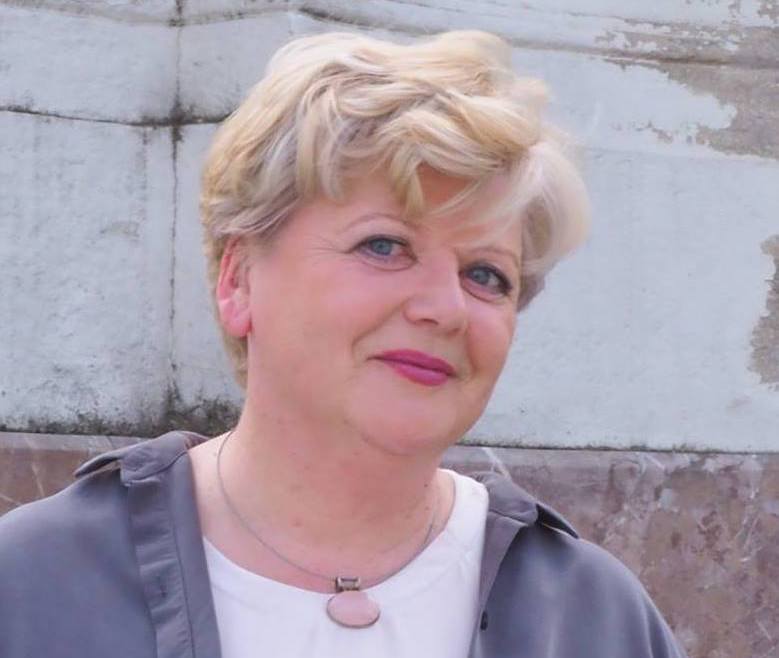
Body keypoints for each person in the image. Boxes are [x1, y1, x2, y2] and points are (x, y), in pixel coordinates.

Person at [0, 30, 687, 658]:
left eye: (485, 275)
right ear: (239, 281)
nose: (444, 308)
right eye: (384, 246)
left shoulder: (590, 618)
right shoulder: (36, 585)